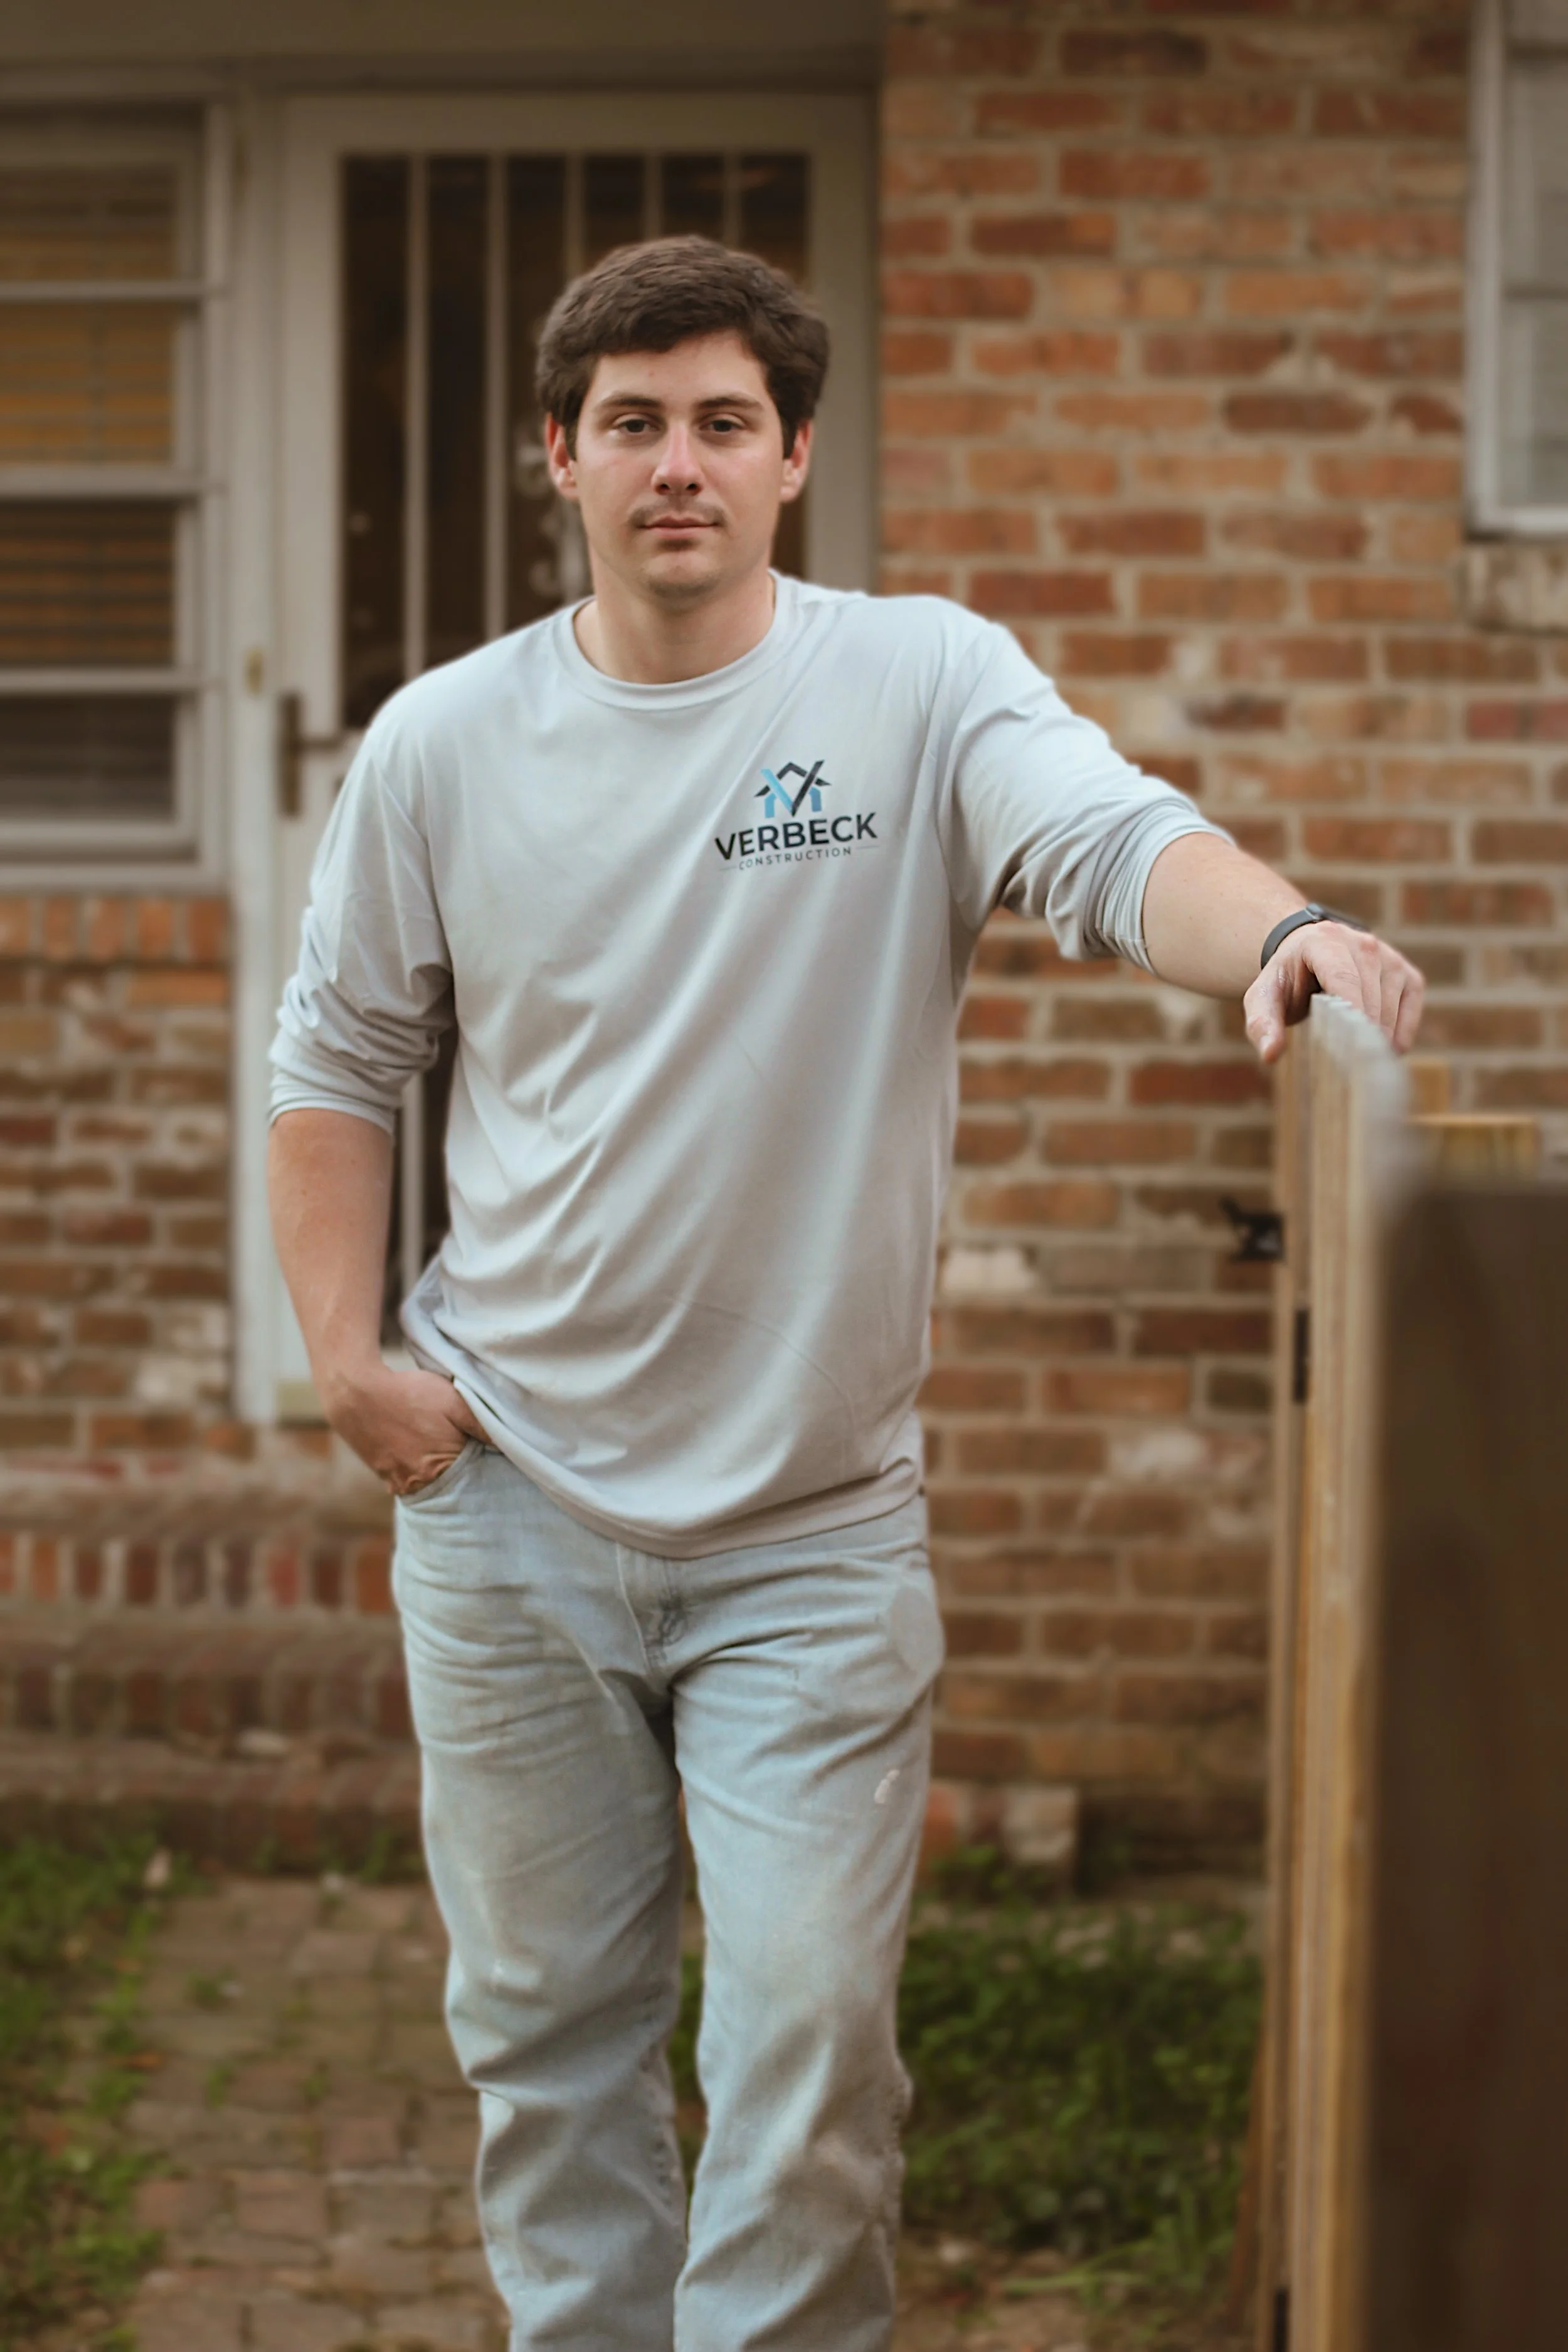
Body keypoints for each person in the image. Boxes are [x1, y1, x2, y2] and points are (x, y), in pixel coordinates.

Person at [268, 236, 1423, 2350]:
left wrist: (1282, 932)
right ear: (559, 454)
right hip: (509, 1505)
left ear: (794, 454)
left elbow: (1109, 840)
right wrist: (347, 1361)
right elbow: (338, 1058)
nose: (678, 464)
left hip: (808, 1535)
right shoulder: (443, 743)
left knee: (805, 2070)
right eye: (633, 422)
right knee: (546, 2050)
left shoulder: (915, 684)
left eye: (724, 422)